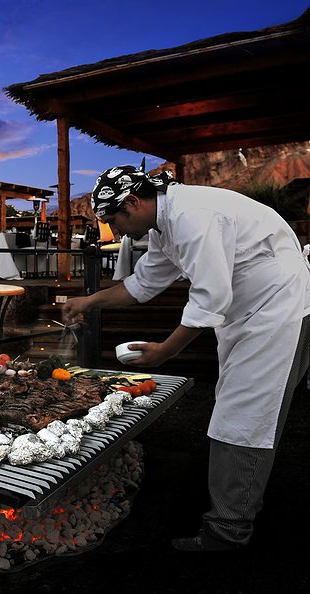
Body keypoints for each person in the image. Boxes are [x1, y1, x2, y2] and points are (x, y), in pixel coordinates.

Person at [62, 160, 310, 552]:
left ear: (131, 203)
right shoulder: (166, 224)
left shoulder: (193, 216)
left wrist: (165, 351)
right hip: (252, 310)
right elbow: (142, 284)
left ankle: (228, 531)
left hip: (276, 307)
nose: (115, 232)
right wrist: (89, 301)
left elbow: (210, 297)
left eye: (113, 221)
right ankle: (241, 505)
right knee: (248, 411)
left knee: (243, 417)